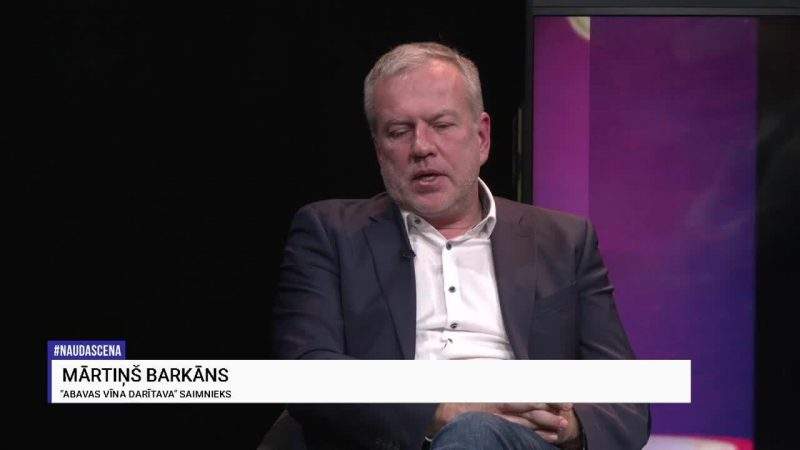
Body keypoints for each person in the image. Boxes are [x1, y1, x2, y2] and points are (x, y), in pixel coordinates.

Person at [271, 42, 650, 450]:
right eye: (399, 131)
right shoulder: (330, 232)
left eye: (442, 124)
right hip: (395, 441)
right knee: (472, 433)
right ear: (379, 150)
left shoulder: (564, 241)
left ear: (482, 137)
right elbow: (304, 372)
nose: (422, 147)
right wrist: (443, 411)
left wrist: (567, 424)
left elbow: (626, 399)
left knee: (478, 435)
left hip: (524, 441)